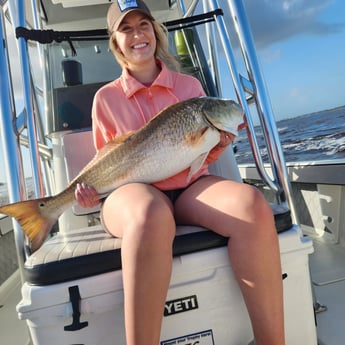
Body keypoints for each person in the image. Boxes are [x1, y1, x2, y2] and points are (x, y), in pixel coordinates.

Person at [75, 1, 285, 345]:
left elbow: (200, 155)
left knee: (251, 204)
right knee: (149, 213)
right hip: (131, 191)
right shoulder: (105, 98)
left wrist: (218, 143)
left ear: (155, 31)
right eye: (125, 29)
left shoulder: (189, 88)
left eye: (143, 24)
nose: (137, 35)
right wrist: (88, 193)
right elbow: (106, 161)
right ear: (115, 42)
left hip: (188, 186)